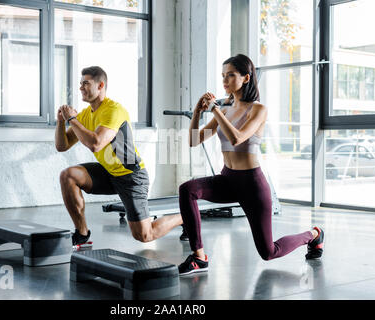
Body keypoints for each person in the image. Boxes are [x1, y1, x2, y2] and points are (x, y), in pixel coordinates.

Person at [177, 54, 325, 275]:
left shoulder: (258, 110)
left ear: (246, 78)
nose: (225, 80)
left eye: (231, 75)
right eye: (223, 76)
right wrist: (198, 112)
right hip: (227, 179)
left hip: (252, 184)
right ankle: (199, 257)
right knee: (187, 189)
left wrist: (215, 109)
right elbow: (193, 140)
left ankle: (313, 235)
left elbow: (237, 138)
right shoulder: (225, 110)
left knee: (268, 252)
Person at [55, 66, 183, 248]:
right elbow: (62, 146)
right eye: (80, 84)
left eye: (86, 83)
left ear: (100, 85)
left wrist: (72, 120)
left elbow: (96, 143)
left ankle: (183, 217)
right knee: (68, 175)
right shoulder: (85, 115)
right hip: (108, 172)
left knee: (145, 235)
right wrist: (61, 122)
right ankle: (82, 234)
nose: (81, 88)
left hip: (131, 176)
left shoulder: (113, 110)